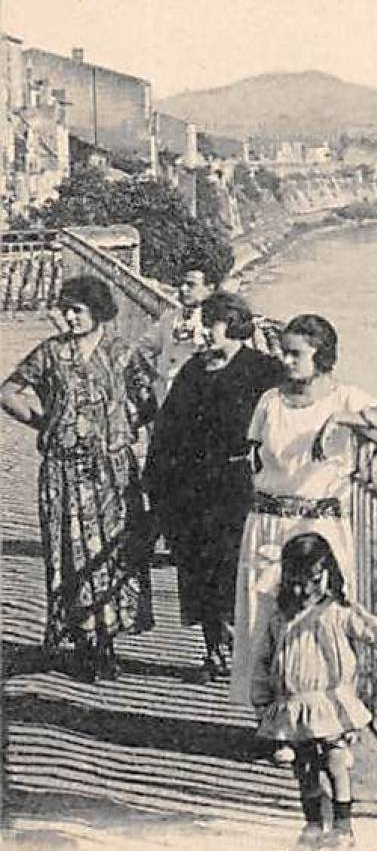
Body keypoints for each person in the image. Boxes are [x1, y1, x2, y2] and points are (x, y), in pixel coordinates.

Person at [228, 313, 377, 714]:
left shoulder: (344, 397)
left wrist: (344, 418)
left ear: (320, 356)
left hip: (321, 527)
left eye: (295, 355)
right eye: (283, 353)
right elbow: (253, 455)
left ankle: (328, 718)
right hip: (270, 524)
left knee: (324, 624)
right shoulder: (270, 400)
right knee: (263, 620)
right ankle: (272, 720)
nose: (285, 362)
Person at [1, 275, 155, 680]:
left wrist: (122, 428)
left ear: (97, 311)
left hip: (112, 474)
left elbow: (149, 401)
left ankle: (108, 641)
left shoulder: (122, 354)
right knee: (70, 554)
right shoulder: (50, 353)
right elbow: (8, 392)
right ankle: (85, 642)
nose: (69, 317)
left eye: (77, 310)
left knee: (113, 551)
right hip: (64, 472)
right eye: (65, 309)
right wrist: (45, 424)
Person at [250, 532, 377, 851]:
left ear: (329, 573)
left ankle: (343, 825)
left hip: (330, 702)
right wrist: (263, 705)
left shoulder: (339, 611)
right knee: (304, 767)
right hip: (295, 706)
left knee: (334, 760)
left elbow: (375, 631)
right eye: (296, 582)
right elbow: (263, 661)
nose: (304, 590)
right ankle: (313, 823)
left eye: (314, 580)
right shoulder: (280, 618)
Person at [143, 292, 283, 680]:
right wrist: (155, 479)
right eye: (204, 322)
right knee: (196, 564)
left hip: (238, 483)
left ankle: (245, 645)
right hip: (190, 483)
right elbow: (167, 426)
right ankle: (213, 650)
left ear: (235, 324)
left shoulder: (262, 369)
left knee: (237, 564)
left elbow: (296, 403)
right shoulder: (192, 369)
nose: (205, 331)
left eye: (214, 323)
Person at [136, 253, 226, 409]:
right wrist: (151, 377)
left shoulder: (218, 324)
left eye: (191, 285)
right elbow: (143, 347)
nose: (183, 289)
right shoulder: (170, 318)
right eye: (182, 283)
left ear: (209, 289)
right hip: (163, 402)